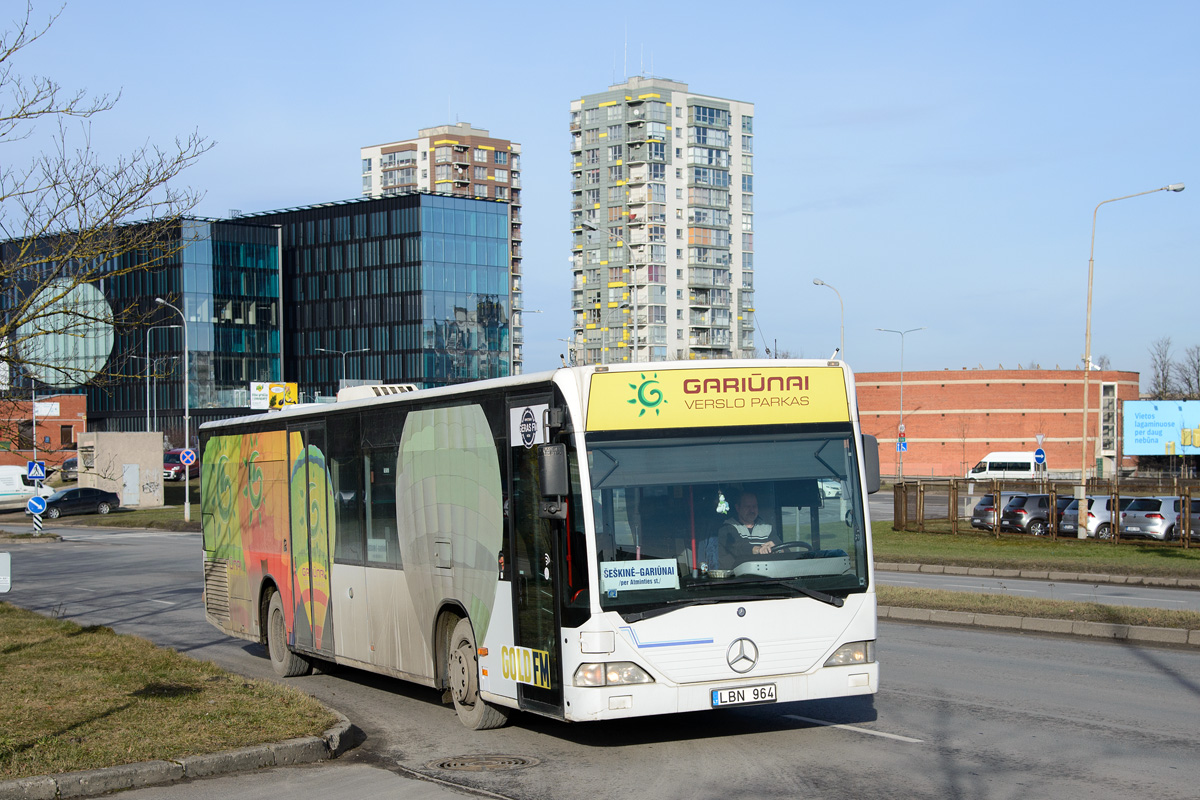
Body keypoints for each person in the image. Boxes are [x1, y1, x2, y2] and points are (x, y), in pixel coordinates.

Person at [718, 490, 780, 568]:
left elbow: (785, 549)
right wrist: (759, 550)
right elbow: (738, 547)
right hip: (735, 577)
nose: (752, 510)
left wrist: (776, 549)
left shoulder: (767, 528)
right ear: (738, 508)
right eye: (747, 507)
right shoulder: (727, 527)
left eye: (754, 506)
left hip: (766, 577)